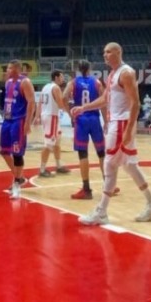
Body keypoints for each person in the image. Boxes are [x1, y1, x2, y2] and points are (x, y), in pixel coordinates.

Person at [71, 42, 151, 226]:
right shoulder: (112, 74)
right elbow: (105, 99)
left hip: (121, 123)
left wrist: (129, 129)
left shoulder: (126, 73)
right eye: (103, 51)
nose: (104, 55)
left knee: (110, 164)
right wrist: (83, 108)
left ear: (119, 52)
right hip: (116, 122)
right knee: (129, 166)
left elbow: (135, 103)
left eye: (108, 51)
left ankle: (101, 211)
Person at [63, 59, 107, 200]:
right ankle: (108, 184)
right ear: (90, 68)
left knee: (83, 154)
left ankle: (86, 189)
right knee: (101, 153)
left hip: (81, 120)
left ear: (77, 68)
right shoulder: (97, 82)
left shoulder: (73, 82)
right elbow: (104, 102)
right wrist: (106, 120)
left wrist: (68, 111)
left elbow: (64, 97)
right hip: (94, 119)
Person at [0, 59, 36, 199]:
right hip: (7, 120)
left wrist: (28, 123)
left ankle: (16, 184)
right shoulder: (8, 82)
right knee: (3, 151)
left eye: (9, 68)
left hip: (18, 121)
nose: (7, 71)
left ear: (16, 69)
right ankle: (19, 176)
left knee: (17, 153)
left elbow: (31, 102)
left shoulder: (25, 82)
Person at [37, 70, 71, 178]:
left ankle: (59, 165)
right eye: (61, 77)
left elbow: (40, 102)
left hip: (48, 115)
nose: (63, 79)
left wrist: (37, 116)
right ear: (56, 77)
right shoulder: (56, 88)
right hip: (51, 116)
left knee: (57, 142)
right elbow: (61, 104)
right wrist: (70, 111)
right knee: (48, 145)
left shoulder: (45, 87)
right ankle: (42, 169)